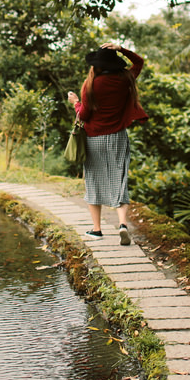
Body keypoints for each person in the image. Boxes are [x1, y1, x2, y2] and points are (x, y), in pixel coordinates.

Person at [67, 42, 148, 245]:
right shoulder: (126, 79)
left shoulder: (91, 85)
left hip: (95, 139)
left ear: (97, 65)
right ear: (116, 63)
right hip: (118, 138)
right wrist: (121, 48)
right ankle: (122, 225)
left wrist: (75, 102)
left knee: (93, 181)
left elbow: (83, 114)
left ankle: (97, 230)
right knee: (119, 180)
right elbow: (139, 62)